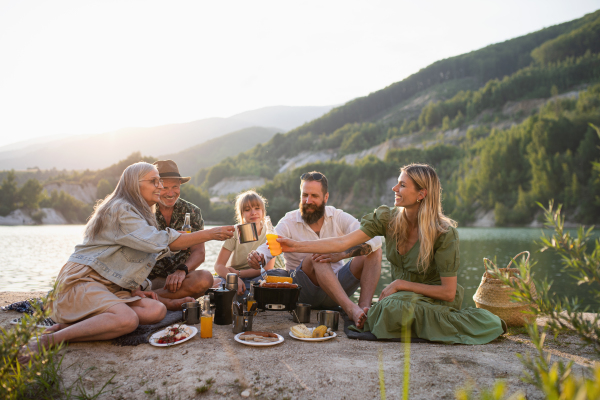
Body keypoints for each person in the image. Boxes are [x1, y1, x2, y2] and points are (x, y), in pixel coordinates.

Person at [19, 162, 234, 363]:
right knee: (128, 320)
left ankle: (78, 322)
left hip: (114, 285)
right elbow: (158, 241)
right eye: (154, 182)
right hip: (84, 280)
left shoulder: (144, 212)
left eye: (161, 182)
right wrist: (211, 233)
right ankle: (53, 339)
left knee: (156, 311)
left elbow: (141, 257)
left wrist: (137, 288)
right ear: (133, 184)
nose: (160, 188)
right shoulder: (121, 210)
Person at [278, 164, 505, 344]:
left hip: (433, 298)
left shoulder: (444, 233)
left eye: (402, 185)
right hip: (400, 298)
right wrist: (295, 246)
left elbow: (447, 292)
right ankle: (380, 314)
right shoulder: (388, 219)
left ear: (421, 194)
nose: (395, 189)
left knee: (390, 307)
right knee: (389, 307)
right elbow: (342, 242)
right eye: (397, 184)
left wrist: (400, 284)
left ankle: (459, 322)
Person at [248, 171, 383, 328]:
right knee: (317, 256)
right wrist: (259, 256)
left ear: (325, 198)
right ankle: (350, 309)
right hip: (305, 291)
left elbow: (375, 238)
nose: (308, 200)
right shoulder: (289, 220)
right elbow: (269, 246)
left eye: (314, 196)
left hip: (337, 288)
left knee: (374, 251)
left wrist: (342, 254)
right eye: (304, 195)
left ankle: (363, 309)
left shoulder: (338, 217)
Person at [148, 160, 213, 307]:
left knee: (205, 278)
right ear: (156, 186)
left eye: (175, 187)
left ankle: (146, 298)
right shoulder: (144, 211)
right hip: (148, 280)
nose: (171, 193)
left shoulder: (193, 211)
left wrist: (182, 270)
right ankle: (166, 300)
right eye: (165, 187)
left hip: (180, 282)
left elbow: (199, 252)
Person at [213, 190, 285, 295]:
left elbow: (268, 268)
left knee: (281, 273)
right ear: (241, 213)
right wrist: (235, 278)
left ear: (263, 211)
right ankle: (247, 293)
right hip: (232, 276)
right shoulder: (235, 232)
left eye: (257, 208)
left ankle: (247, 293)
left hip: (257, 276)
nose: (253, 213)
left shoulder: (269, 231)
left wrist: (239, 274)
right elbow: (219, 265)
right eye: (247, 210)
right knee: (216, 283)